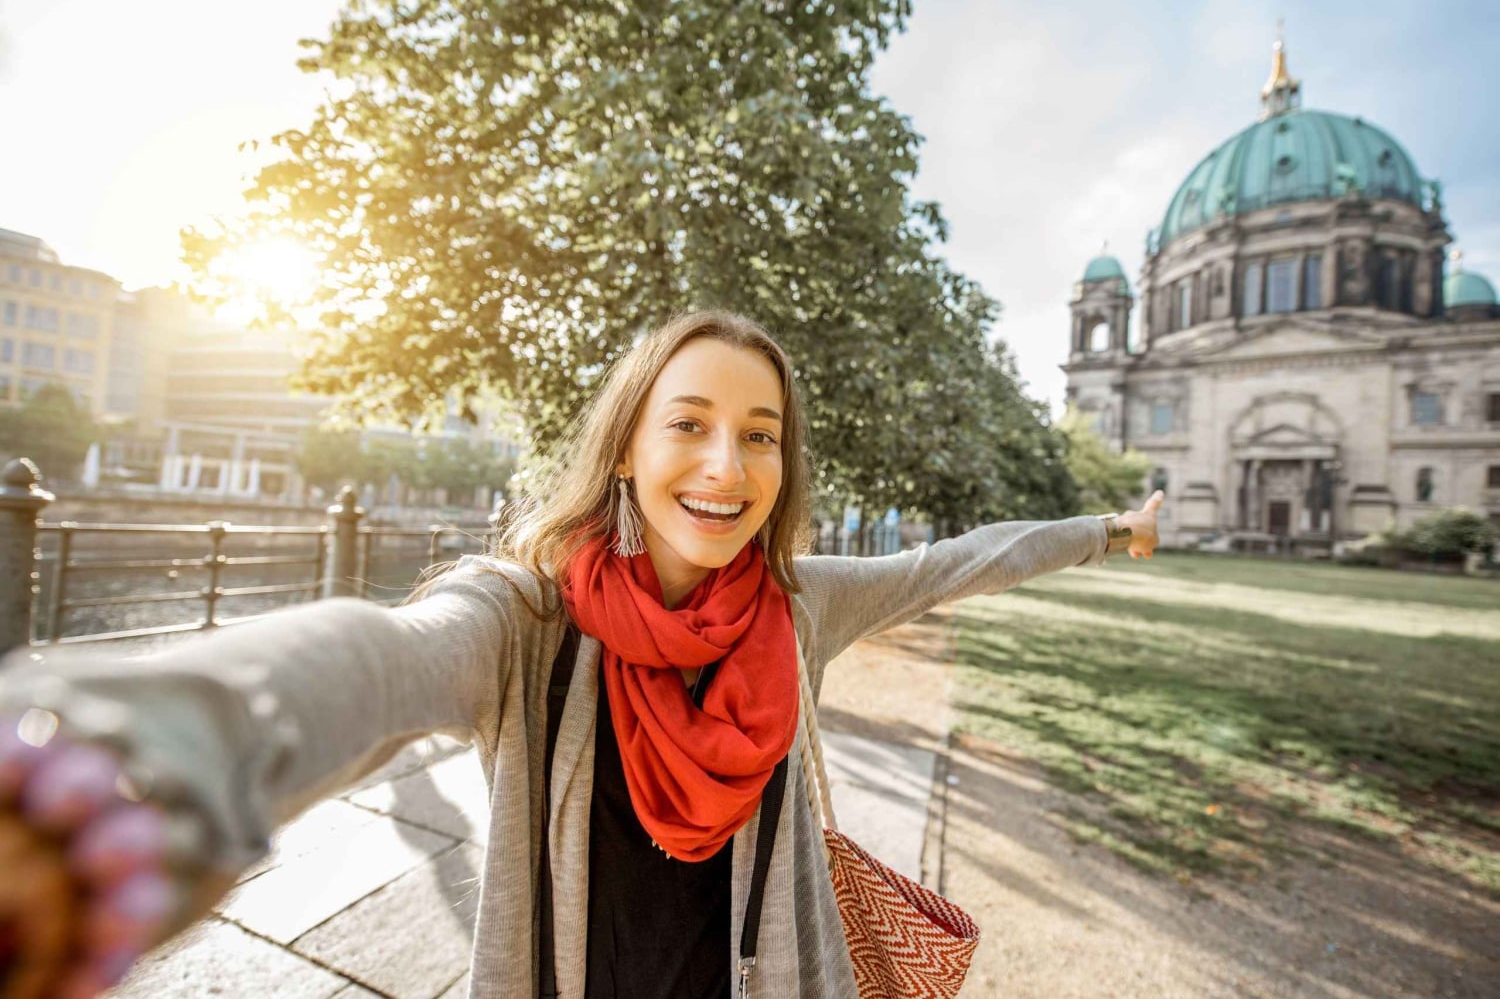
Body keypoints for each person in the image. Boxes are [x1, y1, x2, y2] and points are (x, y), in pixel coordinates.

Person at [0, 310, 1162, 999]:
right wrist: (137, 752)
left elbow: (962, 559)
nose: (727, 465)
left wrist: (1111, 530)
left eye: (760, 436)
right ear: (625, 449)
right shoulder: (526, 614)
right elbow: (384, 655)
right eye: (689, 423)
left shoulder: (799, 604)